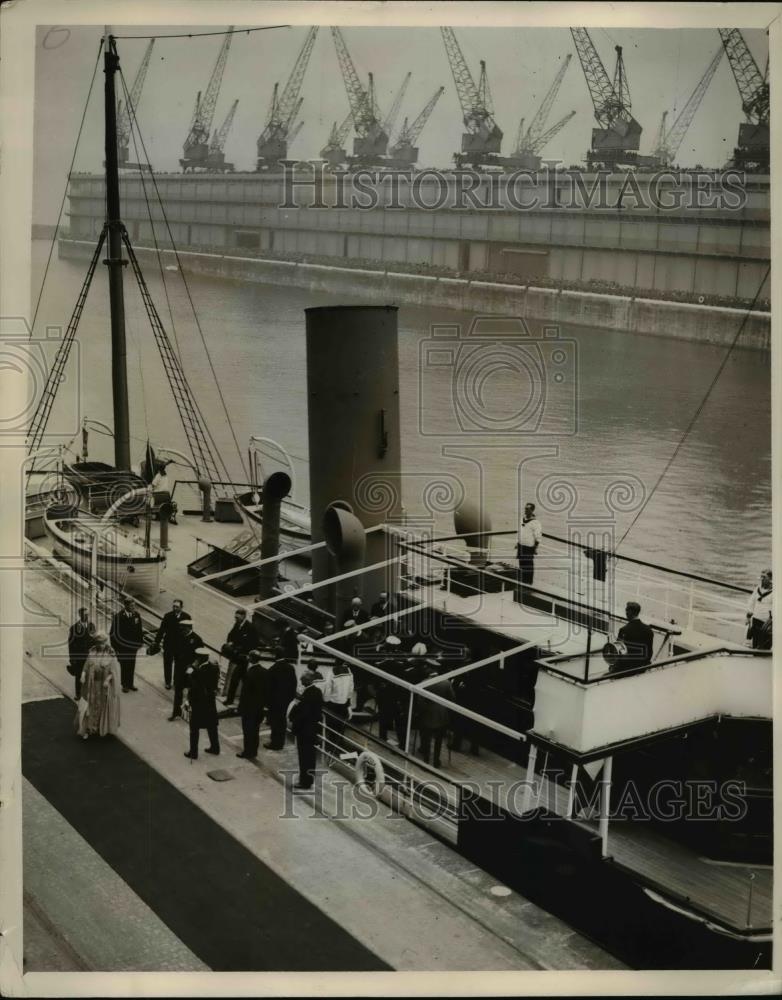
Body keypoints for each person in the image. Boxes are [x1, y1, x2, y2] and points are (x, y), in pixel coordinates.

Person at [75, 632, 121, 739]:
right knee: (89, 705)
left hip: (104, 686)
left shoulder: (111, 654)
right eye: (99, 643)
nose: (101, 645)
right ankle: (89, 728)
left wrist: (107, 680)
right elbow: (86, 666)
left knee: (102, 706)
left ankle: (101, 727)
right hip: (92, 685)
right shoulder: (92, 652)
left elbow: (114, 672)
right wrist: (83, 674)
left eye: (103, 642)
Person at [183, 649, 220, 759]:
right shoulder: (214, 667)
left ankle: (193, 752)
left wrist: (191, 666)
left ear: (198, 658)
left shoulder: (196, 670)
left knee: (194, 727)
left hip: (198, 702)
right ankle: (215, 747)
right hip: (210, 701)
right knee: (212, 726)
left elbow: (187, 677)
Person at [289, 673, 323, 790]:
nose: (301, 682)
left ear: (306, 681)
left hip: (304, 730)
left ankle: (305, 782)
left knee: (304, 757)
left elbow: (303, 713)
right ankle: (308, 779)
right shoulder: (317, 692)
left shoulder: (307, 694)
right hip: (312, 729)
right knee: (310, 757)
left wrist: (293, 719)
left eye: (302, 680)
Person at [417, 668, 454, 769]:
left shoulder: (424, 683)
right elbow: (452, 698)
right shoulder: (446, 682)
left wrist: (421, 712)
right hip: (442, 714)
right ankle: (436, 761)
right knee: (439, 740)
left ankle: (426, 761)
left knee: (427, 739)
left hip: (428, 715)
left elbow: (420, 702)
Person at [169, 617, 205, 720]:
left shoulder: (197, 639)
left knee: (191, 693)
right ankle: (176, 712)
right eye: (181, 628)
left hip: (191, 670)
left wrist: (193, 666)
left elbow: (201, 656)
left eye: (183, 628)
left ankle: (191, 715)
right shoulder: (179, 636)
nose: (182, 630)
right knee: (178, 692)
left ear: (189, 628)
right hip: (179, 669)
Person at [222, 608, 258, 706]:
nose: (236, 619)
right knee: (239, 680)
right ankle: (234, 700)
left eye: (237, 617)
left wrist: (240, 648)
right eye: (235, 617)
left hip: (245, 659)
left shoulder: (250, 628)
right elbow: (231, 635)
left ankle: (236, 701)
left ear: (243, 616)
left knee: (239, 680)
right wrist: (230, 642)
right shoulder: (237, 625)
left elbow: (253, 643)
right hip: (239, 658)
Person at [264, 647, 297, 750]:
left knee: (275, 722)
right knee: (282, 721)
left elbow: (268, 688)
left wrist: (267, 703)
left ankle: (275, 743)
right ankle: (280, 742)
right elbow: (294, 684)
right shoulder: (290, 668)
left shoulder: (273, 669)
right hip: (286, 700)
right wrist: (290, 698)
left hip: (274, 701)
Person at [110, 596, 144, 693]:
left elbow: (139, 630)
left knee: (131, 665)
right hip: (123, 647)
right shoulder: (119, 617)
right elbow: (113, 634)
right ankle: (125, 684)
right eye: (131, 606)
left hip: (133, 647)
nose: (133, 608)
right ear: (126, 606)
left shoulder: (136, 615)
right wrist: (116, 649)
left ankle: (130, 683)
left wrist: (140, 643)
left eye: (134, 606)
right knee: (124, 665)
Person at [237, 650, 267, 760]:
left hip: (249, 708)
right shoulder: (264, 671)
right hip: (259, 707)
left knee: (248, 731)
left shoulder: (250, 673)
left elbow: (245, 693)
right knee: (255, 730)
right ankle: (253, 751)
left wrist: (240, 707)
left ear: (251, 658)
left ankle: (247, 751)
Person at [151, 598, 186, 690]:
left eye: (177, 607)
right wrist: (156, 642)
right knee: (167, 664)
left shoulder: (187, 617)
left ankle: (176, 681)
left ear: (181, 607)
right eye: (173, 606)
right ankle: (168, 682)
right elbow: (161, 630)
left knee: (178, 665)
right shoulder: (168, 616)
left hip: (180, 646)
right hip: (169, 645)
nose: (175, 608)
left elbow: (189, 633)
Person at [614, 602, 655, 672]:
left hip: (627, 669)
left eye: (626, 611)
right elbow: (649, 652)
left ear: (629, 612)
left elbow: (618, 653)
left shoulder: (624, 630)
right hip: (642, 667)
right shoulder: (648, 630)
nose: (626, 613)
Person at [323, 660, 354, 754]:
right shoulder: (348, 671)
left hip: (333, 702)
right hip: (344, 701)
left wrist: (326, 700)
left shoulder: (332, 672)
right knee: (341, 725)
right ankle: (339, 743)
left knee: (332, 725)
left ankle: (331, 745)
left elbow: (328, 687)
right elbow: (351, 688)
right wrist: (348, 700)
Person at [67, 607, 95, 700]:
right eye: (84, 614)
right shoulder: (74, 628)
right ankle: (78, 694)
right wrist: (72, 658)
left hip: (89, 656)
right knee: (79, 675)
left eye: (88, 614)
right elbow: (71, 644)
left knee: (89, 675)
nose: (87, 616)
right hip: (79, 656)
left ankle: (87, 693)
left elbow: (94, 640)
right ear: (80, 615)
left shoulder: (91, 626)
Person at [517, 502, 543, 587]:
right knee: (521, 563)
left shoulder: (536, 522)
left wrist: (535, 548)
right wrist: (518, 542)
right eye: (525, 509)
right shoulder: (522, 519)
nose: (525, 510)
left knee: (528, 565)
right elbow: (521, 532)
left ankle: (528, 582)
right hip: (521, 545)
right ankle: (522, 580)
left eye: (527, 509)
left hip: (529, 547)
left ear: (532, 510)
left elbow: (538, 536)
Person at [746, 569, 773, 650]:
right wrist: (749, 614)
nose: (762, 579)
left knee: (764, 645)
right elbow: (751, 601)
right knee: (755, 642)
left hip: (766, 622)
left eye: (764, 577)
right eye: (761, 577)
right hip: (756, 618)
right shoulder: (758, 589)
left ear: (770, 579)